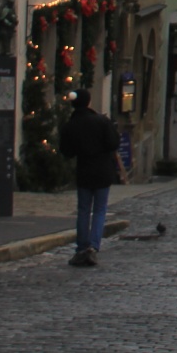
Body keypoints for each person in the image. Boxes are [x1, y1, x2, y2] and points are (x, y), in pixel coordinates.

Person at [59, 88, 121, 267]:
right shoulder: (101, 121)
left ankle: (81, 246)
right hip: (102, 170)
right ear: (88, 102)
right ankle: (94, 245)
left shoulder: (71, 125)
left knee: (84, 210)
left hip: (84, 170)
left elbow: (66, 151)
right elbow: (113, 143)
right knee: (100, 209)